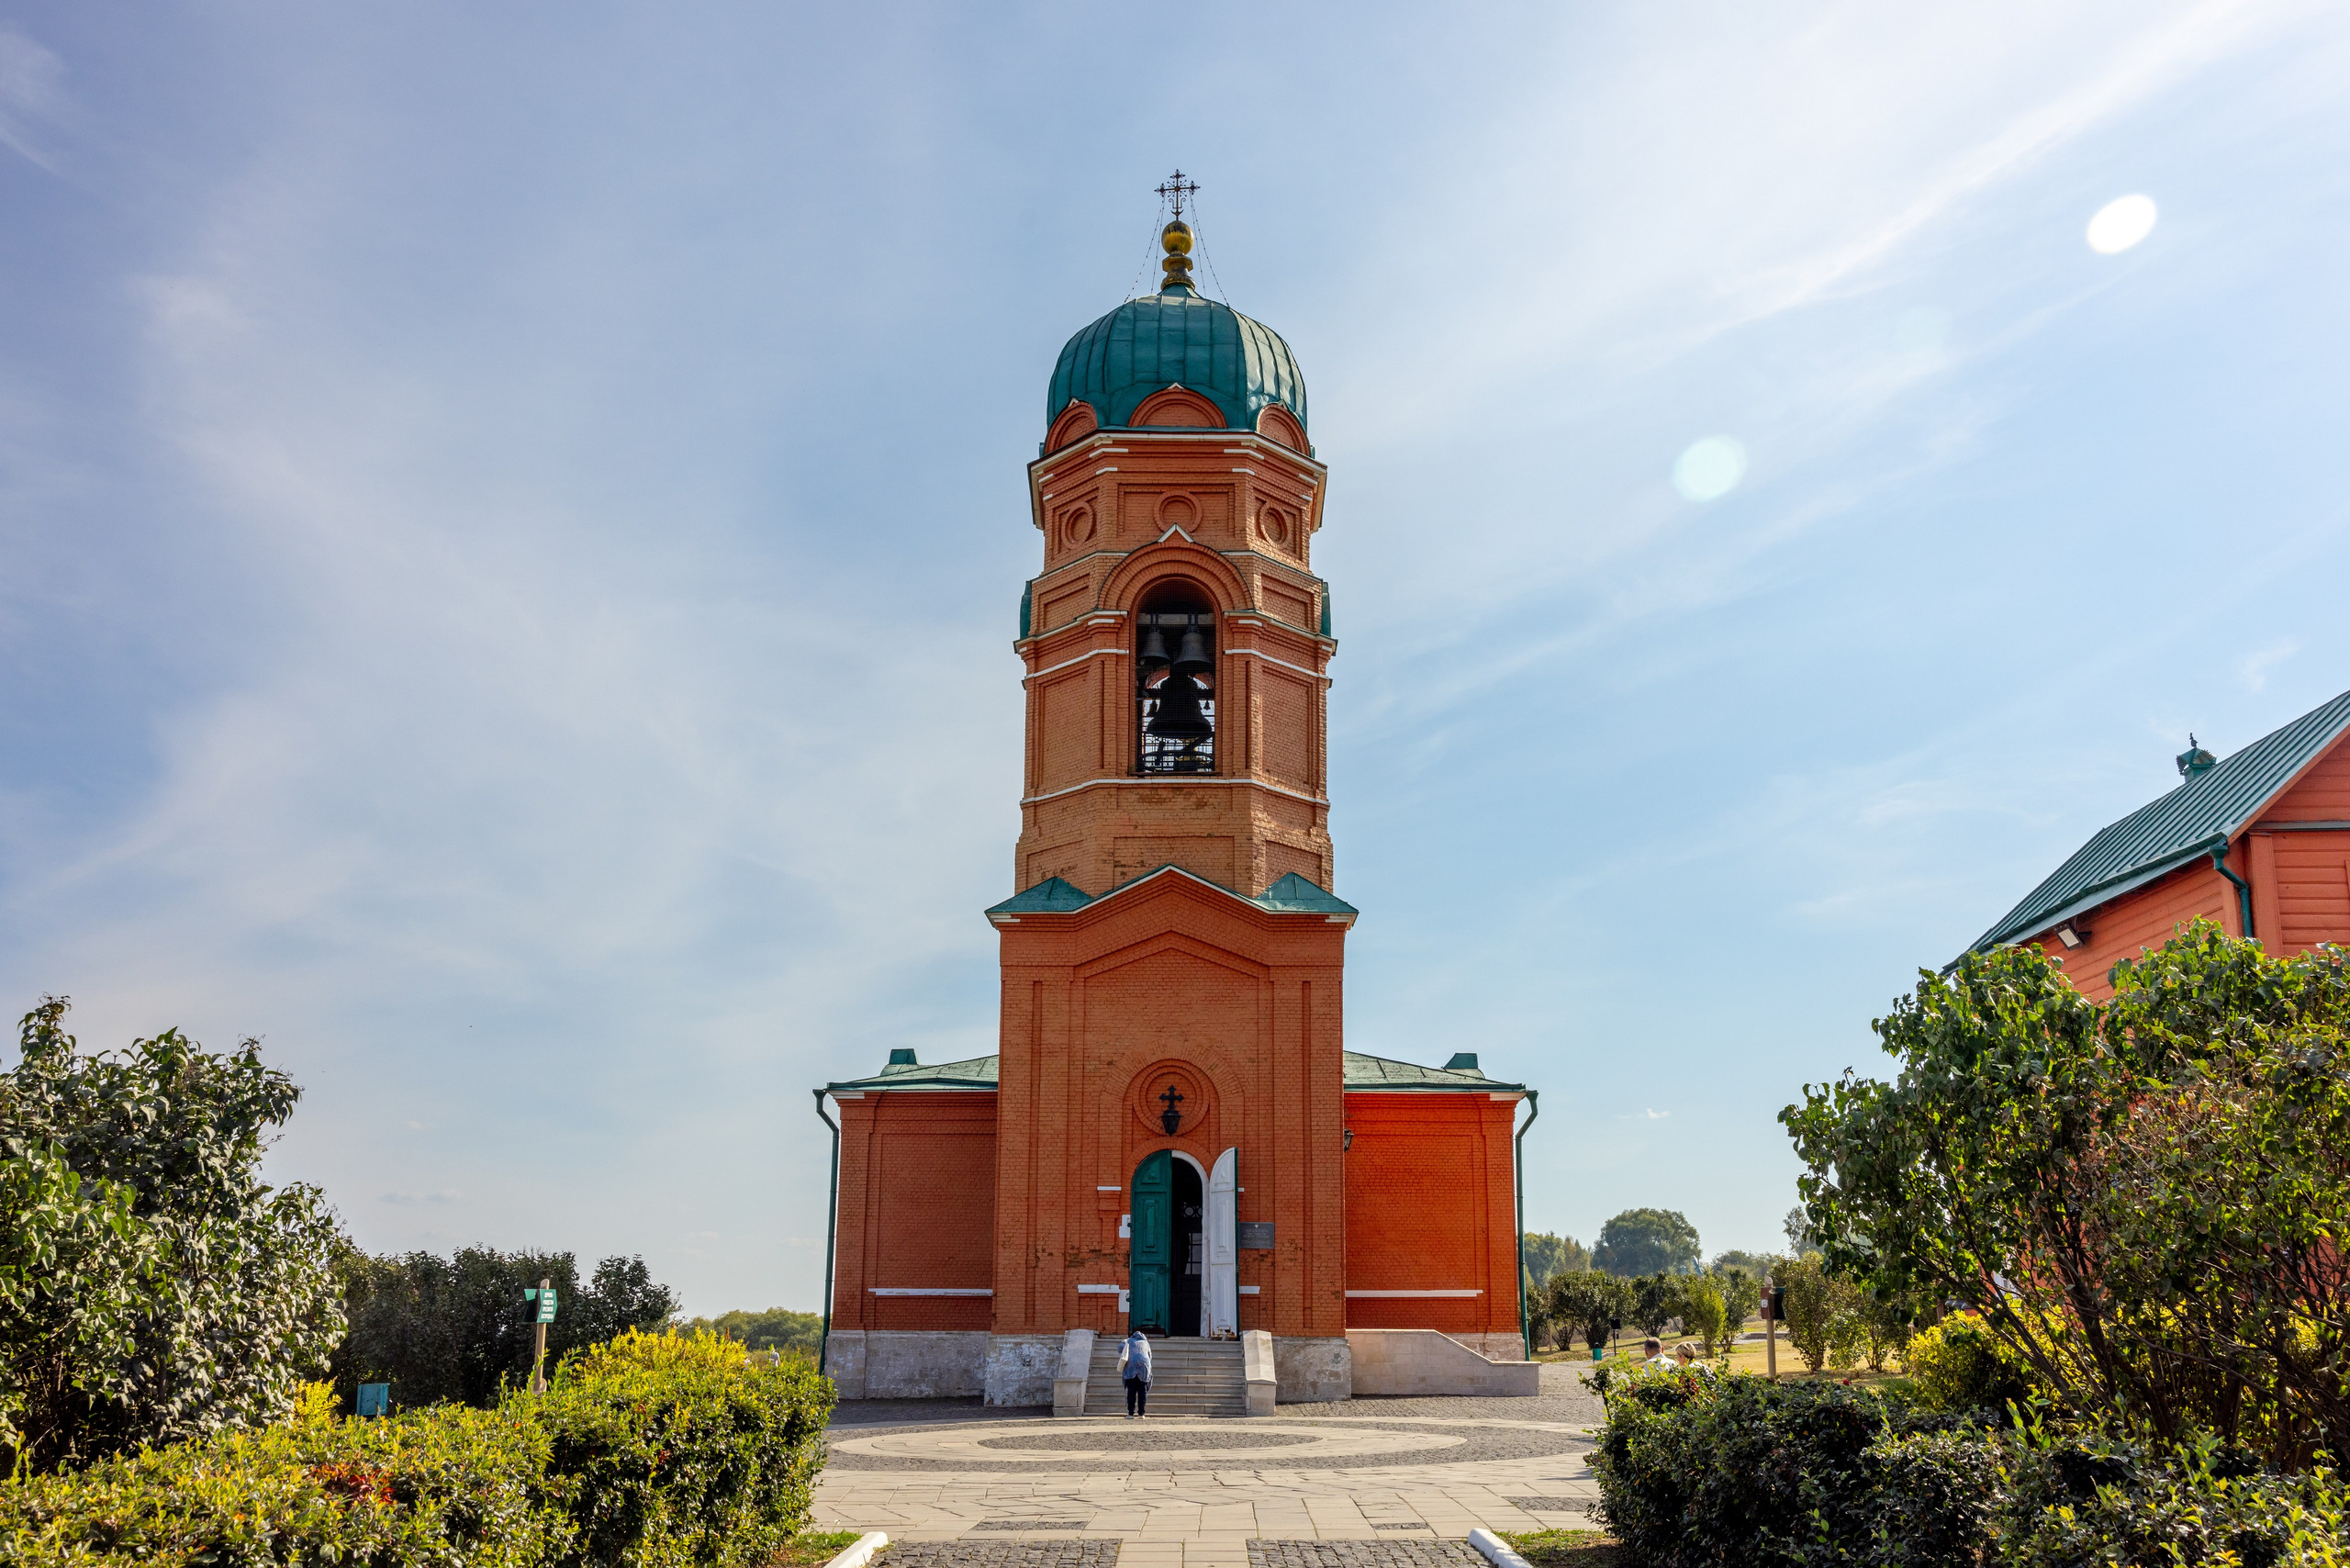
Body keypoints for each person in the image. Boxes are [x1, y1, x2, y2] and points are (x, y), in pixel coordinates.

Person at [1119, 1327, 1153, 1417]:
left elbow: (1120, 1349)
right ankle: (1141, 1414)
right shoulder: (1146, 1343)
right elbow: (1150, 1356)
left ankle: (1131, 1413)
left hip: (1131, 1367)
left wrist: (1124, 1342)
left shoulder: (1128, 1341)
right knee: (1143, 1391)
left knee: (1132, 1390)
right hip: (1144, 1367)